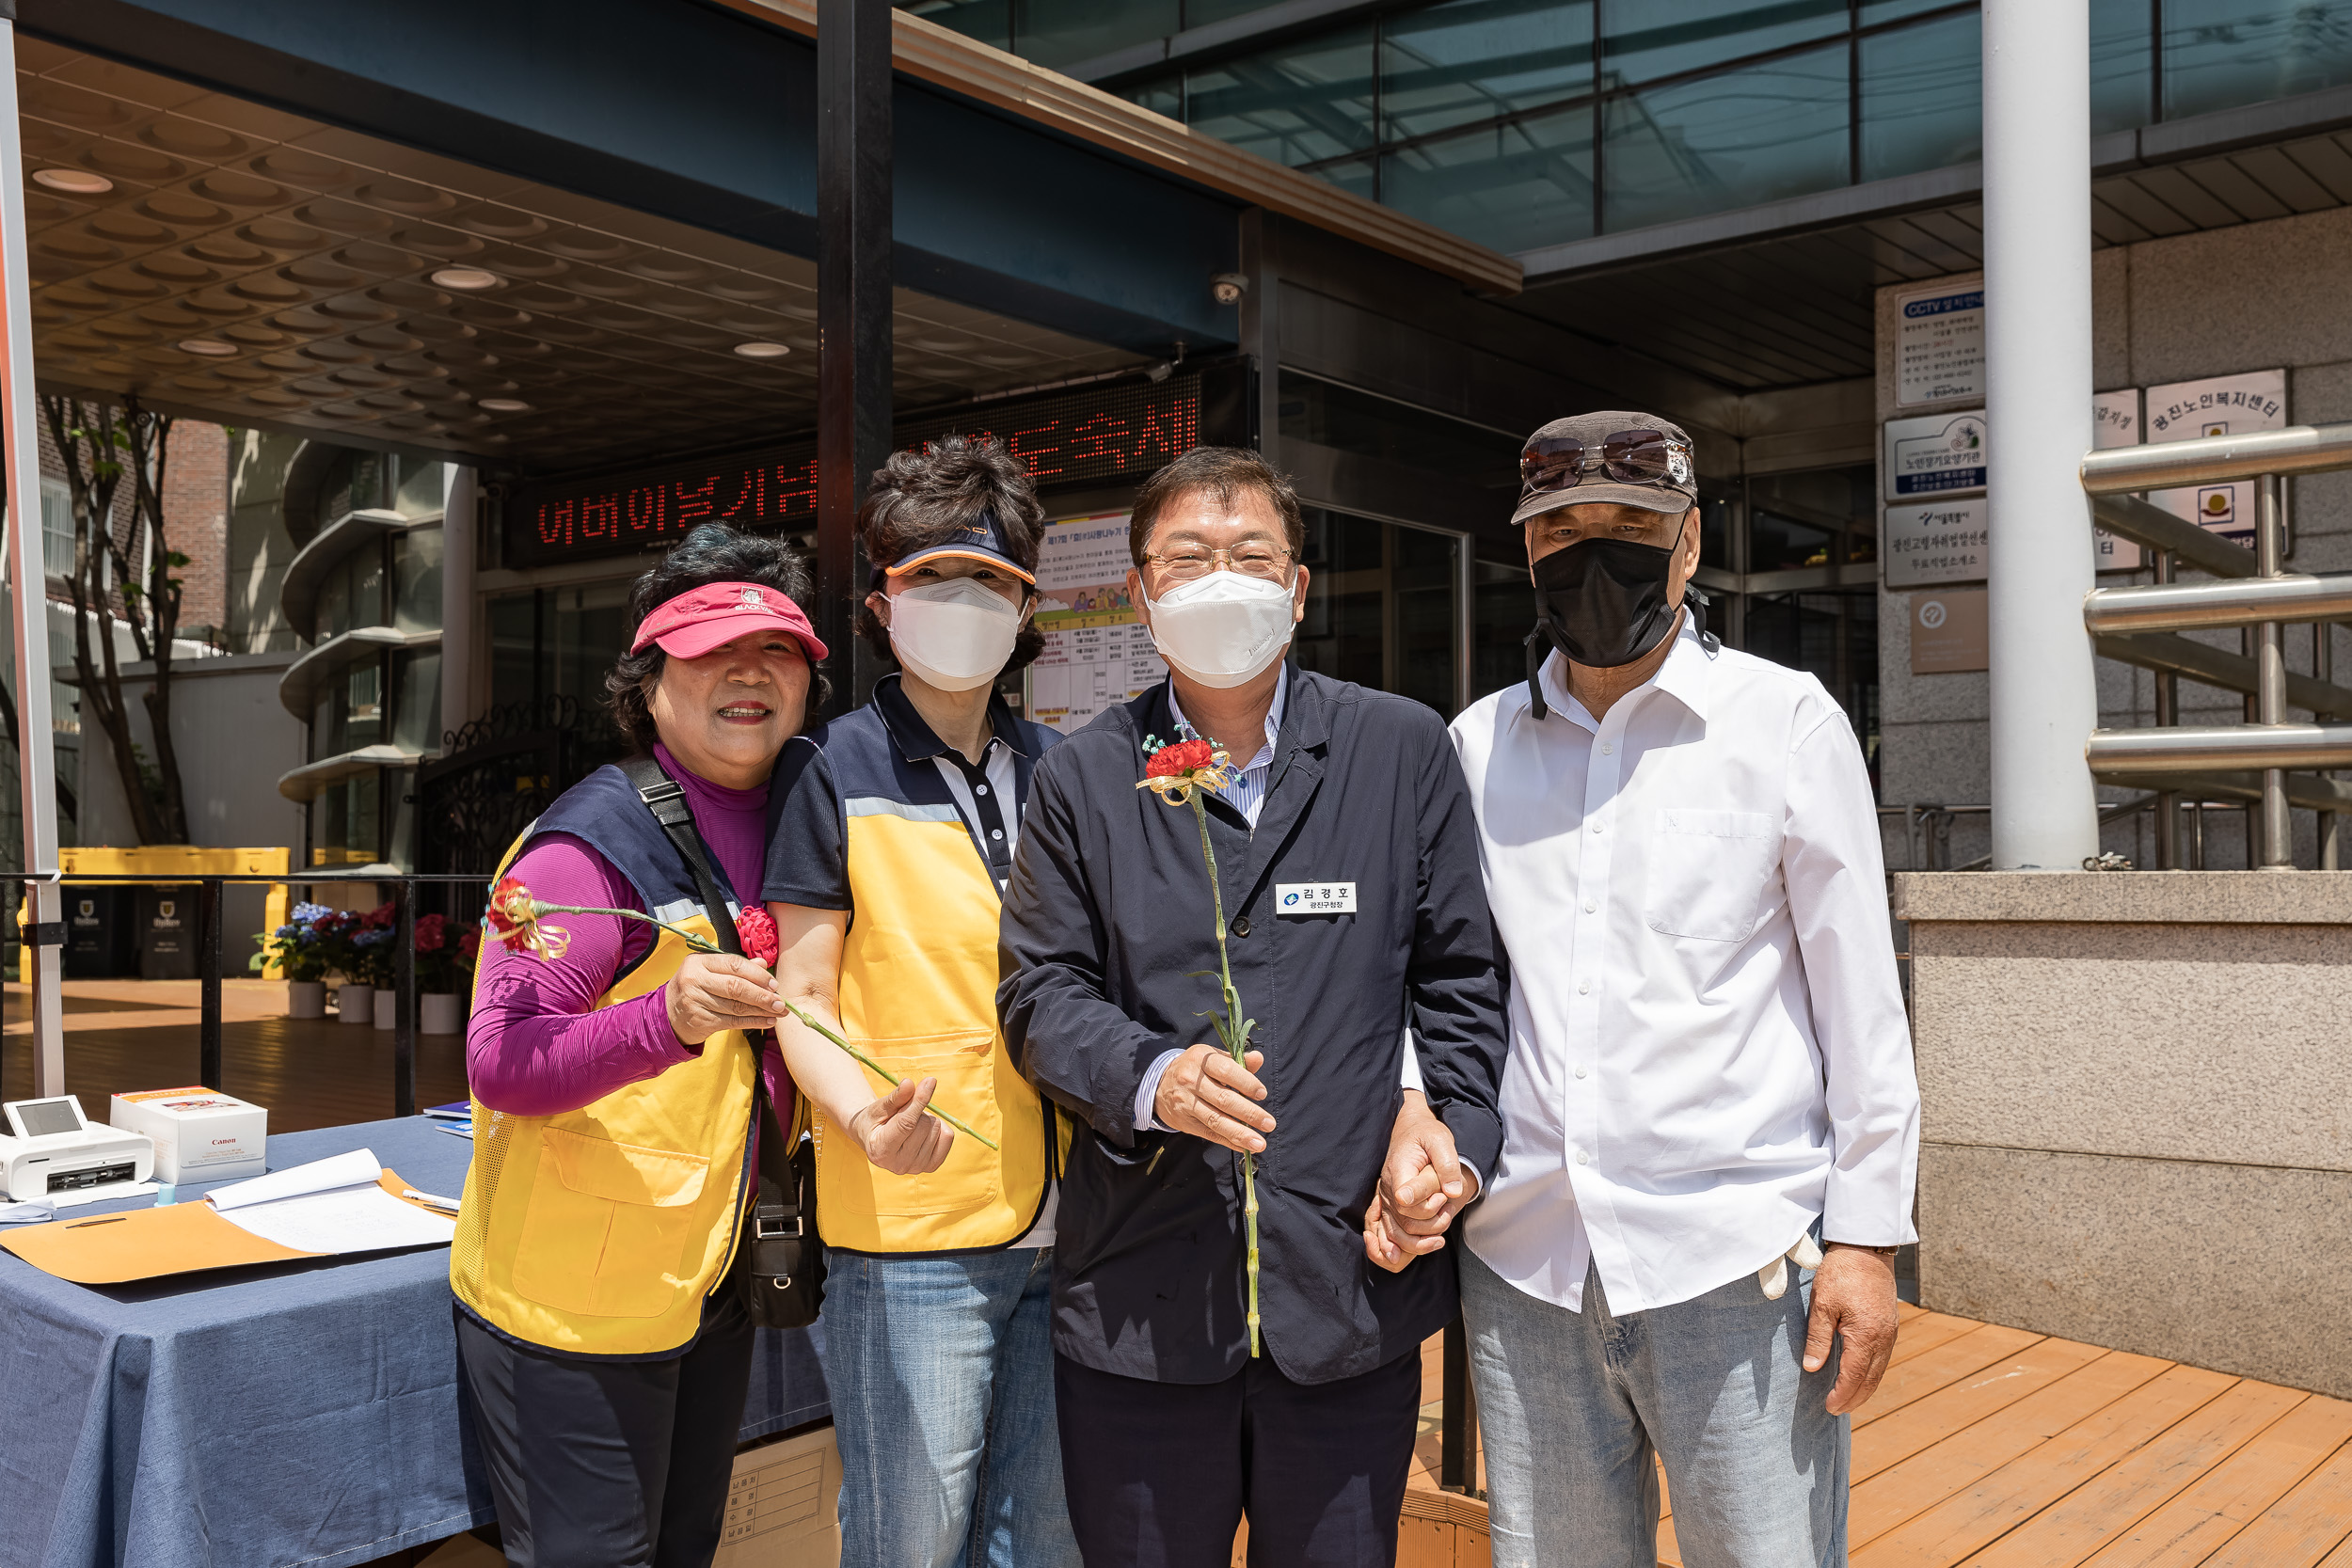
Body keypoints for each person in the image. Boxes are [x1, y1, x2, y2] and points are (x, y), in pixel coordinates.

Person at [1405, 412, 1921, 1568]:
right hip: (1526, 1260)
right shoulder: (1475, 747)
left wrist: (1867, 1238)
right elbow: (1432, 973)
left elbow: (1860, 999)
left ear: (1689, 545)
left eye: (1632, 526)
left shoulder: (1784, 723)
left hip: (1734, 1261)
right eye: (1562, 531)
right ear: (1526, 554)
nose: (1596, 555)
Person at [998, 445, 1510, 1568]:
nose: (1219, 579)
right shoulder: (1082, 776)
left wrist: (1450, 1133)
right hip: (1140, 1301)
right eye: (1187, 558)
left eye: (1250, 555)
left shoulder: (1398, 747)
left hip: (1346, 1293)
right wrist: (1150, 1076)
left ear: (1298, 588)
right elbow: (1038, 991)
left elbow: (1459, 977)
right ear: (1140, 593)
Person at [451, 524, 823, 1568]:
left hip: (712, 1276)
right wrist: (667, 1017)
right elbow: (504, 1059)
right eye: (710, 649)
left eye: (779, 649)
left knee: (684, 1548)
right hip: (573, 1299)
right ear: (648, 678)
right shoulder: (586, 846)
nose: (748, 671)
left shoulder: (811, 816)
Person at [761, 436, 1079, 1568]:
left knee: (1044, 1540)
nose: (961, 602)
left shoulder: (1064, 770)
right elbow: (800, 995)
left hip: (1074, 1224)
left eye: (988, 578)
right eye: (929, 577)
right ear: (881, 602)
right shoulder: (826, 768)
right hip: (907, 1232)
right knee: (913, 1538)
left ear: (1025, 598)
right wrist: (859, 1117)